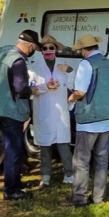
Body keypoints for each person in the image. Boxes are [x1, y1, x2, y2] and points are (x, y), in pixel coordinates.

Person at [67, 34, 109, 207]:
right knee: (102, 159)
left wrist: (71, 98)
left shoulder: (86, 64)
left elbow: (81, 92)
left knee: (81, 160)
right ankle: (98, 197)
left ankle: (79, 198)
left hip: (90, 119)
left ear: (84, 50)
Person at [0, 29, 41, 201]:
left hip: (0, 109)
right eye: (34, 47)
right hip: (12, 111)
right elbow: (20, 89)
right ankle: (11, 190)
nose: (33, 50)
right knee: (14, 151)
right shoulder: (19, 61)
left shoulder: (5, 55)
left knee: (9, 148)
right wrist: (33, 89)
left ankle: (12, 183)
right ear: (29, 45)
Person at [28, 34, 76, 187]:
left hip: (61, 111)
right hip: (43, 110)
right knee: (45, 146)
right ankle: (46, 175)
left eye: (51, 47)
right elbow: (31, 90)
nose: (48, 50)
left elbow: (73, 83)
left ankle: (69, 173)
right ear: (41, 50)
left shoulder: (63, 65)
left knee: (63, 145)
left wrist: (69, 70)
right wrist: (45, 87)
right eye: (45, 48)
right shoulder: (34, 67)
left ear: (56, 49)